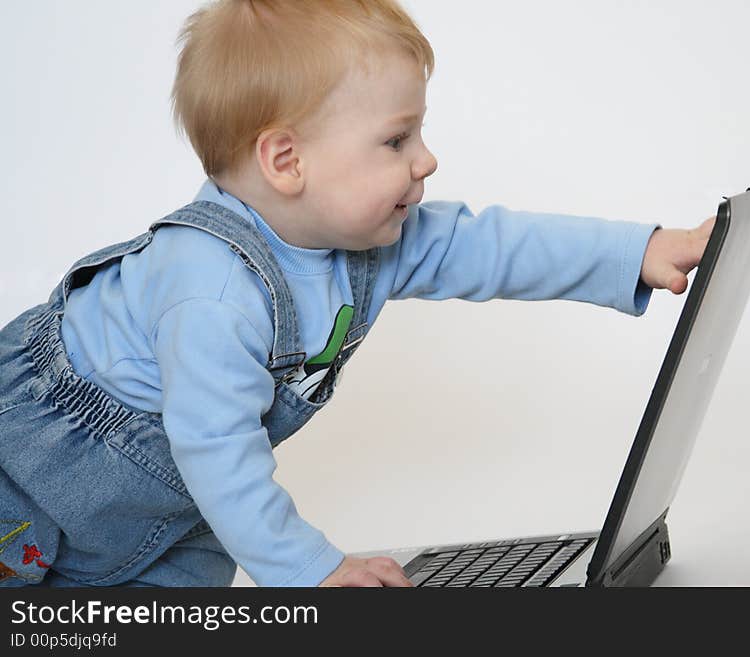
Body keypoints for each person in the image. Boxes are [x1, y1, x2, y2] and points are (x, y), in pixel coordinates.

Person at [0, 0, 714, 588]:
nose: (426, 159)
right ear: (287, 161)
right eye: (396, 140)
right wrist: (315, 570)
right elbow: (218, 451)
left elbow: (492, 246)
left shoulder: (369, 240)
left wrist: (640, 252)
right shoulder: (211, 294)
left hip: (172, 508)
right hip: (32, 472)